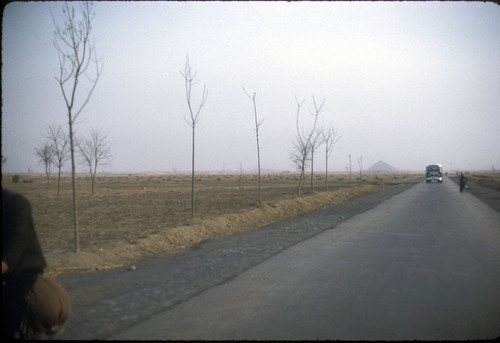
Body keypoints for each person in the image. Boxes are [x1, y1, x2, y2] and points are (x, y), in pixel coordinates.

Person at [2, 188, 47, 338]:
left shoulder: (16, 203)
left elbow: (18, 239)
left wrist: (5, 262)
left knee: (12, 304)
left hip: (25, 265)